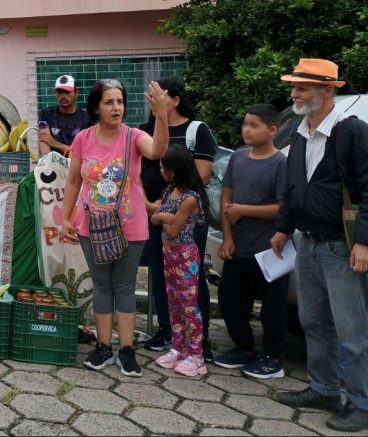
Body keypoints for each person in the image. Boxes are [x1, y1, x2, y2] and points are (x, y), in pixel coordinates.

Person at [271, 58, 368, 433]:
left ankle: (360, 402)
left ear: (328, 90)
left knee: (353, 328)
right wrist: (283, 228)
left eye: (303, 87)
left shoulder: (352, 132)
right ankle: (324, 388)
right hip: (308, 242)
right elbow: (293, 189)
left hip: (342, 246)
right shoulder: (300, 132)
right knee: (313, 321)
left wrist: (363, 242)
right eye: (294, 86)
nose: (295, 93)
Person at [61, 79, 170, 376]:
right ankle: (103, 347)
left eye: (120, 102)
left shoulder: (133, 137)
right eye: (109, 102)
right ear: (96, 107)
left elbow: (158, 150)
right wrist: (65, 217)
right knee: (101, 286)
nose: (116, 107)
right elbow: (73, 181)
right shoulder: (83, 138)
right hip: (91, 225)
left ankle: (126, 350)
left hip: (129, 226)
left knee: (124, 286)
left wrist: (161, 116)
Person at [139, 78, 216, 362]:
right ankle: (168, 331)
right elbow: (136, 171)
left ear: (175, 99)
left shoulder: (196, 130)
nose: (153, 100)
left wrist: (171, 203)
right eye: (150, 95)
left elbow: (203, 175)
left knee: (191, 278)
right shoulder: (147, 131)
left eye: (159, 95)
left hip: (188, 217)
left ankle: (200, 338)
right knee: (160, 273)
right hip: (154, 214)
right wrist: (149, 205)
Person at [215, 104, 288, 379]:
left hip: (269, 250)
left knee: (273, 307)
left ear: (271, 130)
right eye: (245, 124)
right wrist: (228, 237)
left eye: (254, 125)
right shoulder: (239, 157)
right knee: (231, 298)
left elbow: (283, 207)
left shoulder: (281, 163)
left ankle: (273, 356)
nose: (247, 129)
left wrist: (243, 210)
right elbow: (226, 196)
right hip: (239, 246)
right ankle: (244, 348)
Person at [151, 145, 209, 377]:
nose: (161, 171)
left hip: (185, 256)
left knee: (189, 305)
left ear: (174, 170)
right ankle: (178, 348)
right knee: (173, 302)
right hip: (169, 255)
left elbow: (173, 228)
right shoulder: (169, 191)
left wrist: (162, 217)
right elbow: (156, 216)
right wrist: (163, 216)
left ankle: (197, 355)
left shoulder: (191, 198)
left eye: (164, 167)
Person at [39, 75, 93, 156]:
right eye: (60, 92)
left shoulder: (86, 118)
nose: (63, 96)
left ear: (76, 93)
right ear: (55, 93)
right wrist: (47, 161)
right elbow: (44, 140)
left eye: (67, 92)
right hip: (54, 164)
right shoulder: (46, 113)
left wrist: (55, 144)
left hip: (78, 165)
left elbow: (85, 151)